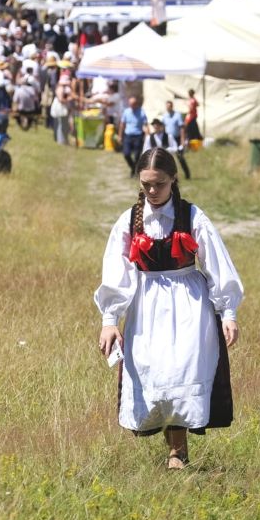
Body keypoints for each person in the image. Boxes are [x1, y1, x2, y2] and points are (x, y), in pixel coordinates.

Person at [96, 148, 243, 469]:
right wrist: (110, 320)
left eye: (159, 184)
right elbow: (115, 273)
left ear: (173, 180)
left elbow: (217, 263)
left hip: (188, 304)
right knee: (155, 371)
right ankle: (173, 438)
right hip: (146, 308)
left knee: (181, 369)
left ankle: (178, 450)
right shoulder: (129, 220)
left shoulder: (192, 216)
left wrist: (228, 312)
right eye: (146, 184)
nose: (152, 191)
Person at [161, 99, 191, 180]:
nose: (168, 108)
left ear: (172, 106)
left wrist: (182, 141)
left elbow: (182, 128)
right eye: (167, 106)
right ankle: (173, 177)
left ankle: (187, 174)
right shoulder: (164, 116)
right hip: (168, 139)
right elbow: (163, 128)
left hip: (177, 138)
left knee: (180, 157)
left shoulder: (177, 115)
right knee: (169, 159)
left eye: (170, 106)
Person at [120, 96, 148, 177]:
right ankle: (133, 168)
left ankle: (134, 171)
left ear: (136, 104)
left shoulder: (141, 112)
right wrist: (120, 135)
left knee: (136, 156)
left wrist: (146, 136)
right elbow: (122, 124)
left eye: (132, 104)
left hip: (138, 136)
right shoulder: (126, 112)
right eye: (130, 104)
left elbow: (145, 124)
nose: (131, 106)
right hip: (128, 135)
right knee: (126, 154)